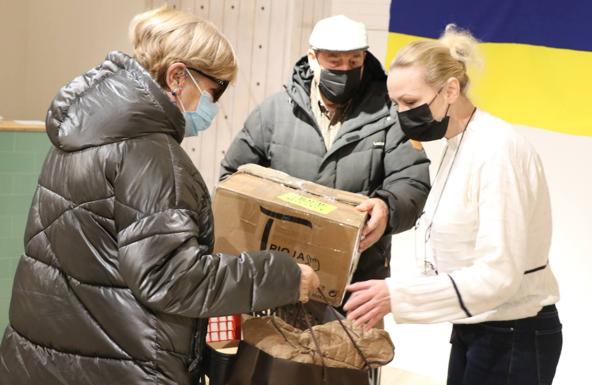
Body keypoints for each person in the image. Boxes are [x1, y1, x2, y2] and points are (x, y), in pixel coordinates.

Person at [0, 7, 319, 385]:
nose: (213, 106)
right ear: (178, 76)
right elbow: (170, 279)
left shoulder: (82, 132)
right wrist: (282, 276)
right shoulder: (152, 156)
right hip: (123, 365)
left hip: (44, 358)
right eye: (214, 90)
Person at [344, 25, 563, 385]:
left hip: (514, 333)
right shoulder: (458, 145)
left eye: (411, 102)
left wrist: (397, 295)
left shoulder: (497, 151)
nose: (401, 115)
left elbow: (498, 274)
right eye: (395, 103)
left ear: (450, 89)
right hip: (478, 329)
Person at [220, 15, 431, 301]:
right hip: (281, 279)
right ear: (313, 58)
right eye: (334, 62)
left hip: (357, 282)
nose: (345, 70)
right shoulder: (274, 113)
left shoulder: (388, 115)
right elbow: (233, 178)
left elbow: (412, 181)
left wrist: (387, 208)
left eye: (354, 62)